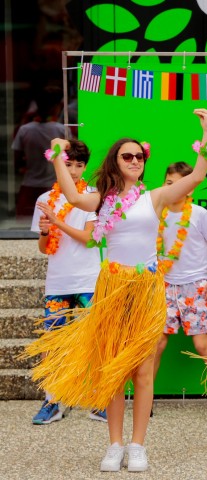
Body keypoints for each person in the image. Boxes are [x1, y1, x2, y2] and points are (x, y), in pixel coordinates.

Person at [24, 108, 207, 473]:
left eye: (139, 156)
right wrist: (58, 155)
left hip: (145, 287)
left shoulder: (155, 197)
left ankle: (137, 445)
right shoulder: (102, 198)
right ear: (115, 161)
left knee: (143, 371)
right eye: (126, 156)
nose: (134, 161)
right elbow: (70, 194)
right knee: (113, 368)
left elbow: (198, 177)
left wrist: (206, 133)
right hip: (112, 286)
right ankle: (114, 444)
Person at [29, 139, 103, 425]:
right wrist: (46, 231)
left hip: (88, 280)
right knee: (54, 342)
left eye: (79, 165)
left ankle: (100, 400)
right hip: (58, 282)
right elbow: (43, 247)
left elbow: (89, 239)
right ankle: (53, 400)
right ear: (58, 162)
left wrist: (57, 223)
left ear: (85, 167)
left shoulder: (93, 197)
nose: (73, 171)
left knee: (95, 340)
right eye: (68, 163)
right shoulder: (45, 199)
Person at [153, 162, 207, 395]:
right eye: (169, 182)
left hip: (196, 286)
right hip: (165, 285)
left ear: (190, 188)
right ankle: (146, 398)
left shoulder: (198, 214)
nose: (173, 187)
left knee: (202, 345)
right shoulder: (157, 212)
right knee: (157, 344)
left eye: (180, 183)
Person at [12, 86, 66, 217]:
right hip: (54, 186)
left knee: (22, 225)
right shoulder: (62, 130)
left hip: (29, 186)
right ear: (56, 107)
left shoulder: (25, 130)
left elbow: (16, 158)